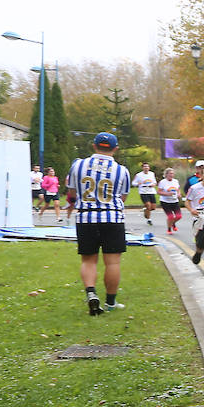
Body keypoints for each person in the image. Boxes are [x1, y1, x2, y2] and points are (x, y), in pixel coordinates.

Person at [69, 132, 132, 315]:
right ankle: (110, 302)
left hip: (86, 217)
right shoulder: (122, 171)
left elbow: (72, 193)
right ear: (115, 148)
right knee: (112, 262)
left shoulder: (78, 165)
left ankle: (91, 292)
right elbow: (123, 197)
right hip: (112, 218)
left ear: (94, 145)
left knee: (89, 259)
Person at [158, 168, 183, 234]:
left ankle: (173, 223)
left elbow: (178, 189)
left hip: (174, 201)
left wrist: (179, 194)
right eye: (170, 173)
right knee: (170, 216)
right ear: (166, 174)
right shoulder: (162, 182)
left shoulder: (175, 181)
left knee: (179, 216)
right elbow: (159, 192)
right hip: (165, 202)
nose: (171, 175)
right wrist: (167, 194)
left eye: (172, 173)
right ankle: (169, 229)